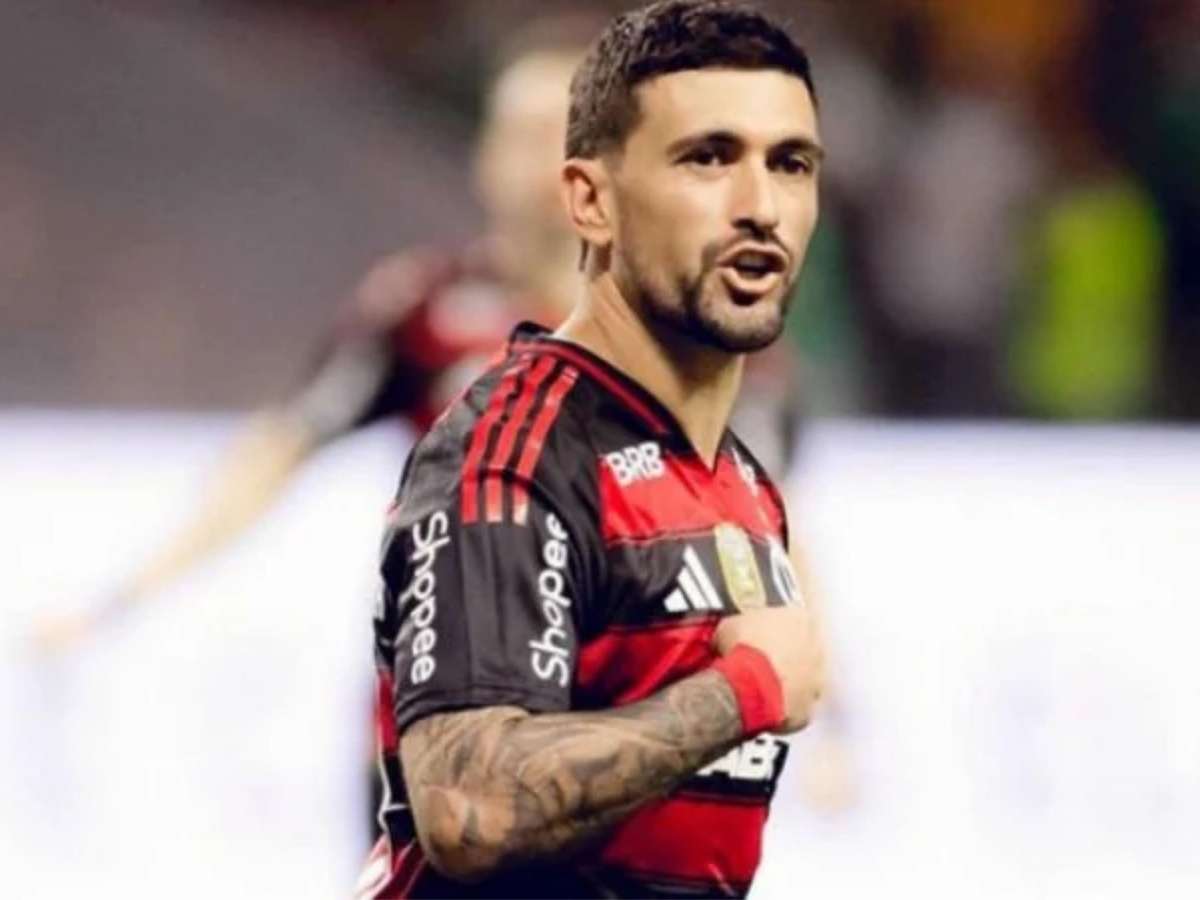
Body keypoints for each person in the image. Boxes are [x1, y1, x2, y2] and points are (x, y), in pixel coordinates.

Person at [357, 2, 827, 897]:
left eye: (790, 164)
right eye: (708, 158)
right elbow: (467, 805)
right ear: (590, 200)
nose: (760, 208)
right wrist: (744, 693)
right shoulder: (516, 454)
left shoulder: (738, 478)